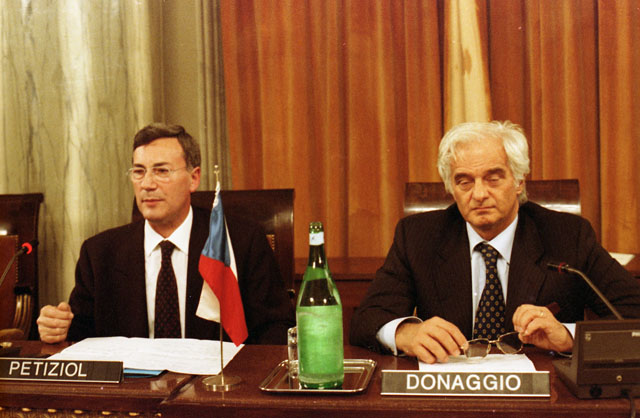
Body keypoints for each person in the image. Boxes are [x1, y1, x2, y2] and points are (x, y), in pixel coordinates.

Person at [350, 120, 640, 364]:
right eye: (464, 181)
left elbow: (633, 311)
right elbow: (366, 319)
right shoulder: (418, 236)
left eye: (493, 178)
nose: (479, 194)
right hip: (451, 393)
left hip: (544, 396)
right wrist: (406, 333)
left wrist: (568, 337)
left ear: (519, 181)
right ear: (451, 188)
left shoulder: (567, 236)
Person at [37, 123, 294, 344]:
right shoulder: (99, 252)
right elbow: (83, 333)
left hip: (215, 382)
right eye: (139, 172)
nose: (147, 184)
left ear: (193, 178)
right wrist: (59, 327)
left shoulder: (240, 241)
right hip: (131, 385)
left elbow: (275, 329)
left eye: (161, 171)